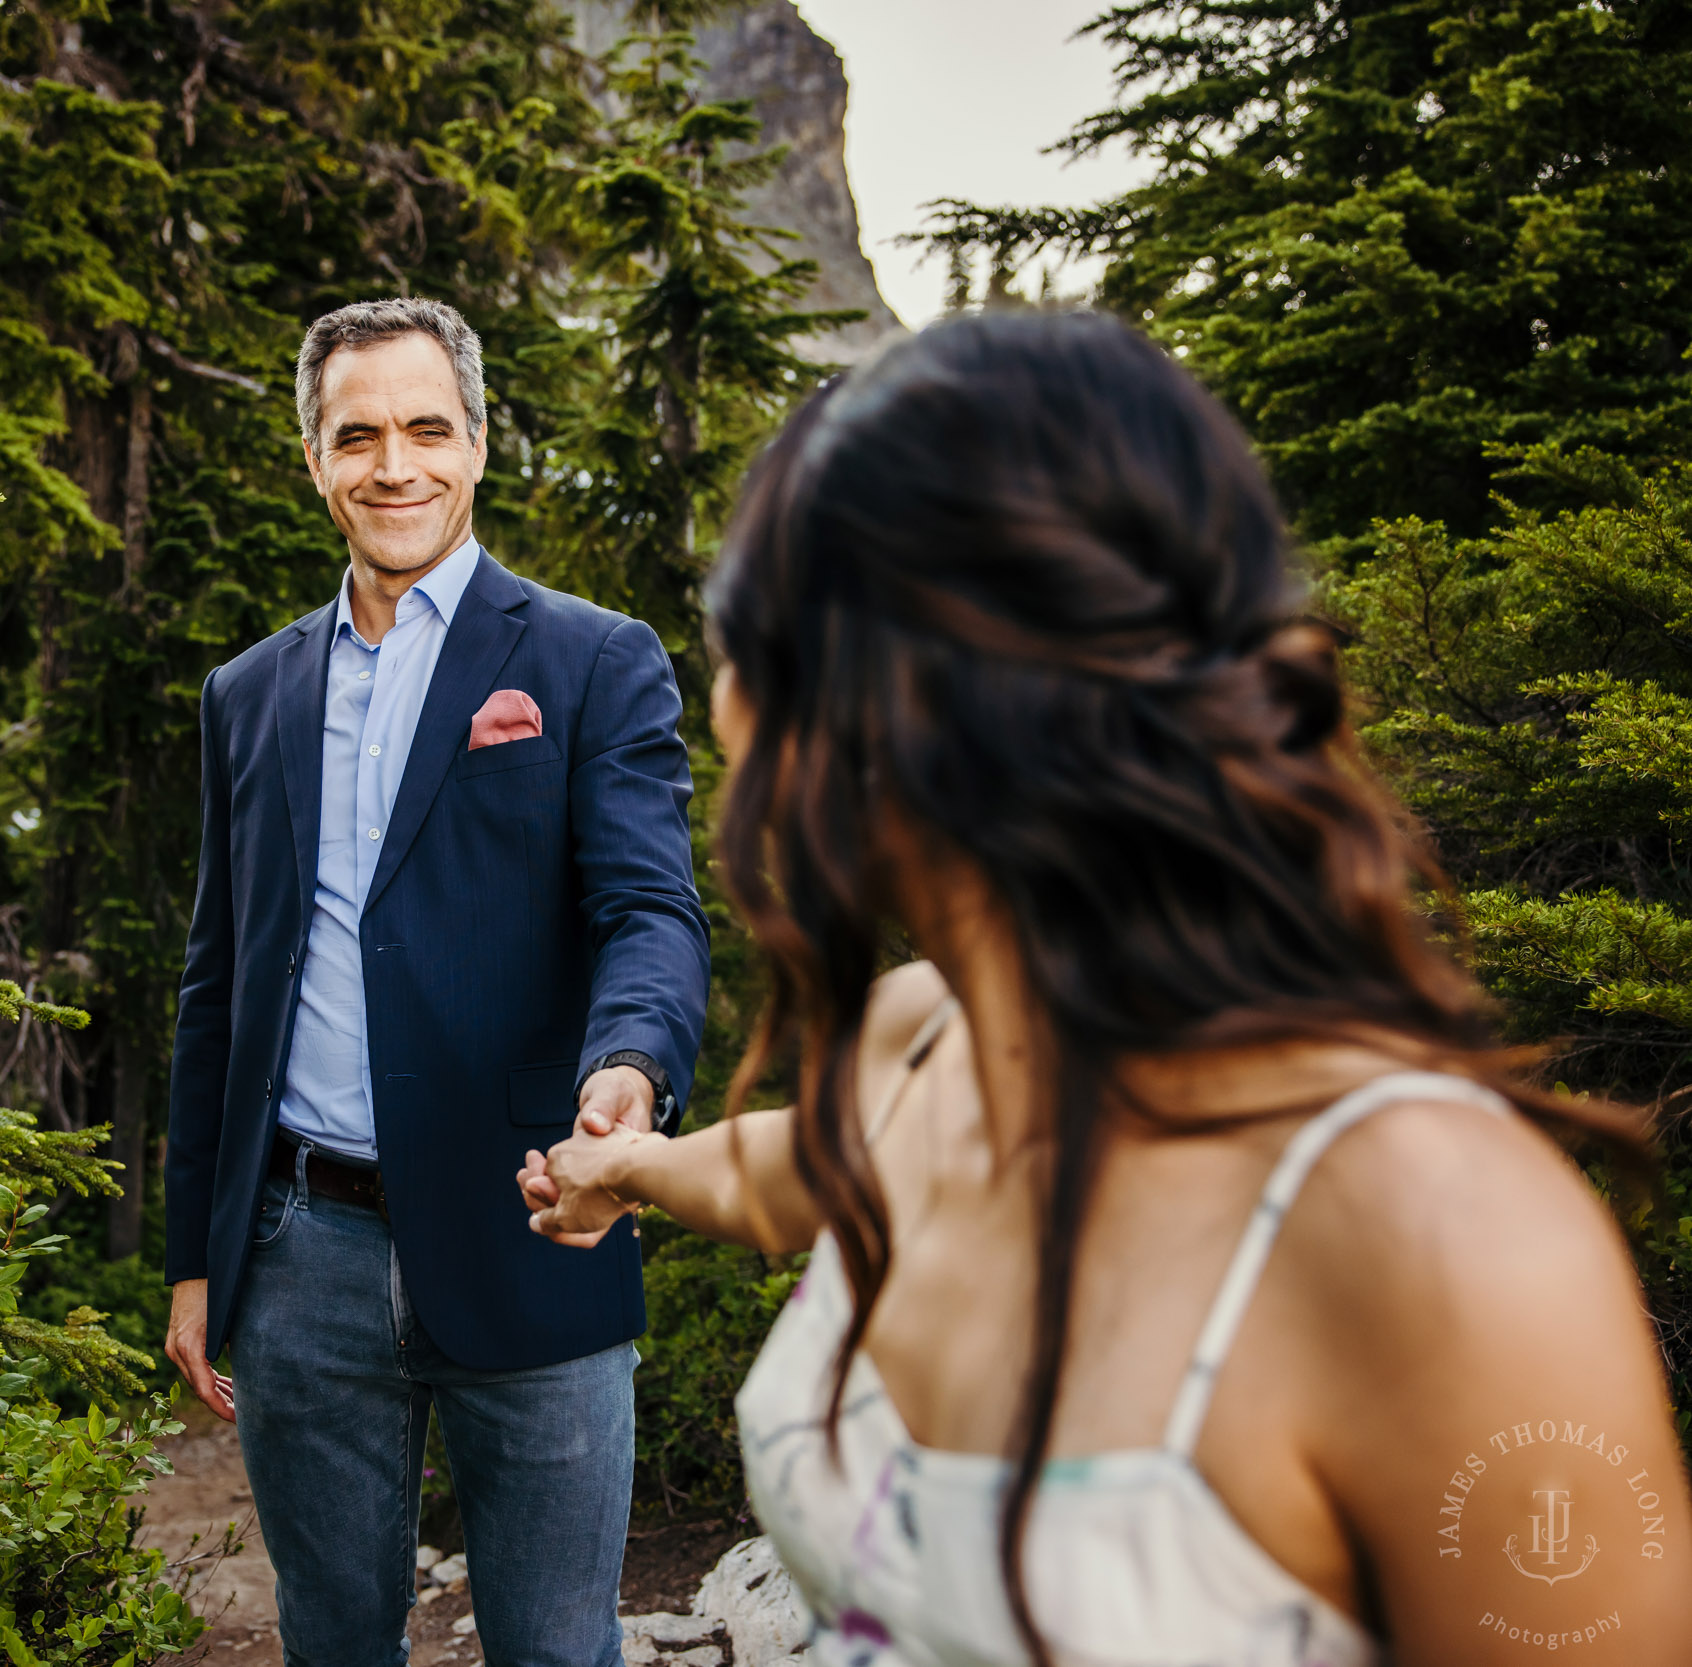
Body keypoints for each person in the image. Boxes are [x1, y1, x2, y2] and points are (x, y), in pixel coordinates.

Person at [519, 310, 1692, 1666]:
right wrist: (631, 1171)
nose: (721, 701)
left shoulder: (1442, 1243)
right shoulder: (918, 1046)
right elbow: (789, 1174)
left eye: (746, 642)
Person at [164, 296, 709, 1667]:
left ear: (476, 444)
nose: (392, 464)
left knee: (554, 1649)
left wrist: (628, 1075)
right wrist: (195, 1258)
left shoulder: (591, 661)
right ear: (315, 460)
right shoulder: (249, 693)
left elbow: (649, 911)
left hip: (539, 1225)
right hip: (304, 1259)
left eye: (425, 429)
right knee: (334, 1644)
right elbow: (218, 985)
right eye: (358, 436)